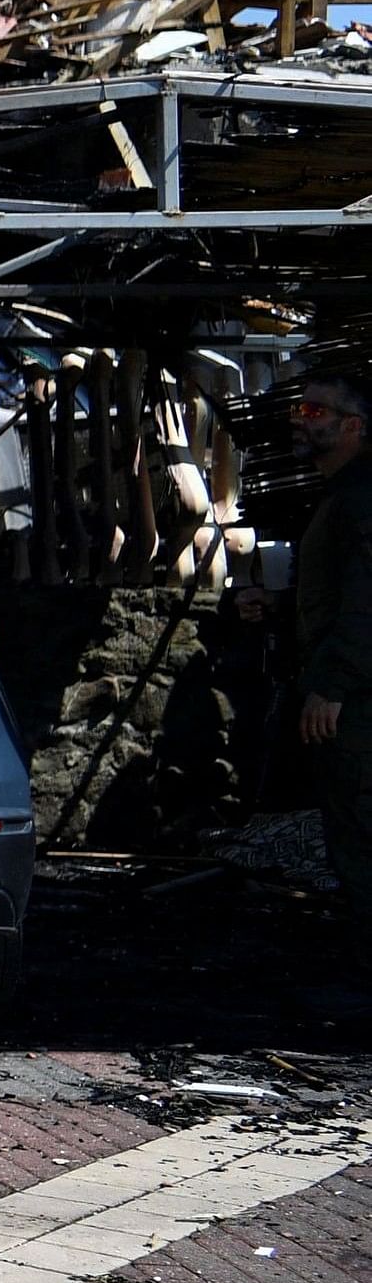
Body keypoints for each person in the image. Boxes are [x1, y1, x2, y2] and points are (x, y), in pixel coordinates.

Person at [287, 369, 372, 906]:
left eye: (317, 412)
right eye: (300, 409)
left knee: (363, 836)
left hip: (360, 703)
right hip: (351, 693)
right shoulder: (342, 497)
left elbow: (368, 599)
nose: (300, 418)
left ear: (353, 427)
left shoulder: (362, 499)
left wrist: (333, 684)